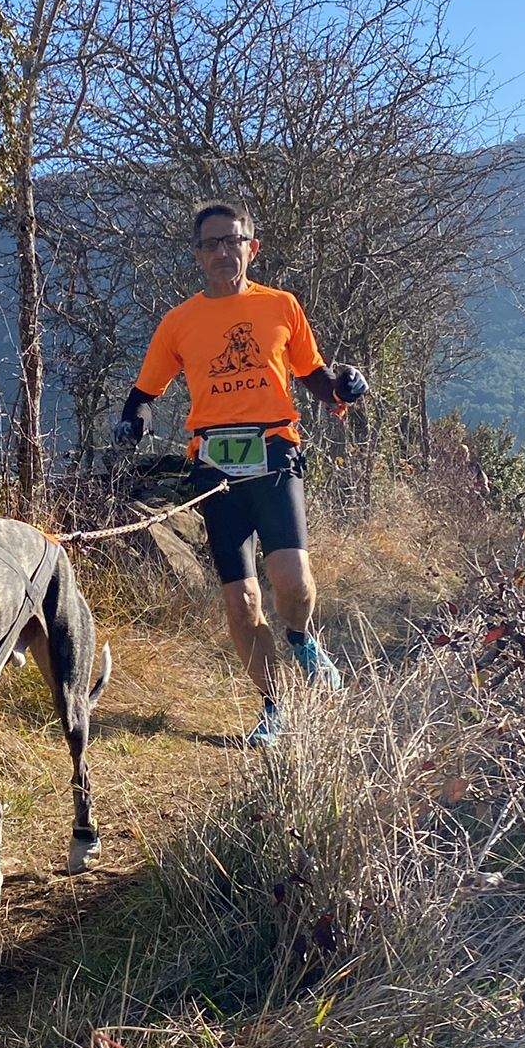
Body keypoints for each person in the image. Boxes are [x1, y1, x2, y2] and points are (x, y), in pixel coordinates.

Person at [113, 200, 367, 747]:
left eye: (233, 241)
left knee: (292, 580)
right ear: (198, 255)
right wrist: (133, 422)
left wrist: (342, 389)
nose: (223, 252)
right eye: (212, 243)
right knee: (241, 599)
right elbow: (145, 393)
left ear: (252, 248)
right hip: (213, 465)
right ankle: (275, 707)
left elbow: (314, 375)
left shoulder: (281, 306)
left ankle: (301, 639)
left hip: (275, 451)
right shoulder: (179, 322)